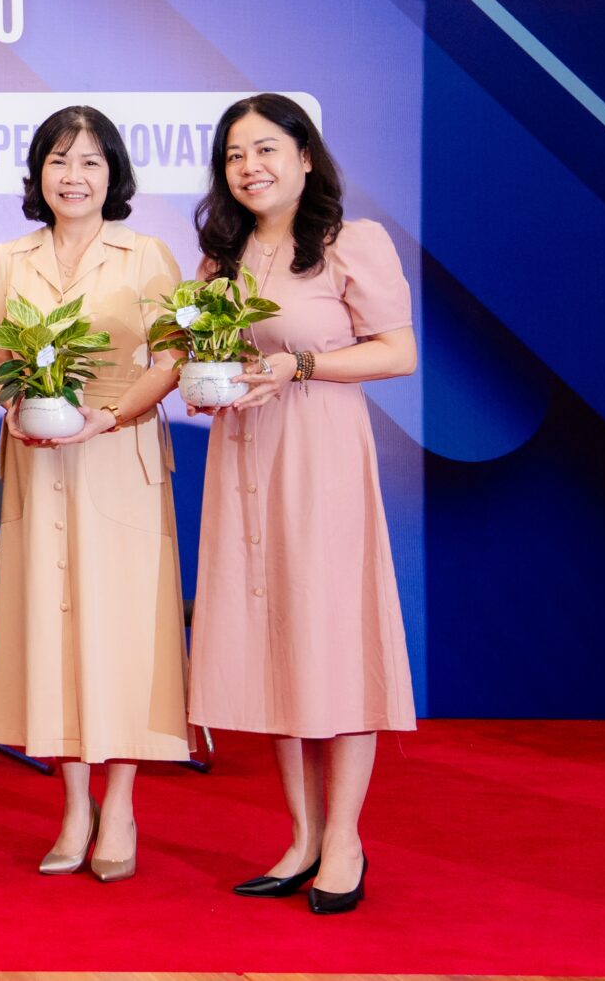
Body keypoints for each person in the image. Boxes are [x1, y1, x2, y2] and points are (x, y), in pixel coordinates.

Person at [185, 93, 416, 916]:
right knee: (271, 635)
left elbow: (398, 351)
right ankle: (301, 835)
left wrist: (303, 366)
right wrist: (205, 384)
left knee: (332, 638)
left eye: (266, 149)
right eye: (235, 155)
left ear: (306, 156)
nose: (249, 167)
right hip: (245, 456)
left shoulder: (353, 242)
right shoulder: (220, 261)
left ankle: (345, 838)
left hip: (321, 455)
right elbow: (208, 353)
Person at [0, 106, 189, 883]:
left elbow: (172, 359)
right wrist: (14, 405)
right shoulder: (9, 257)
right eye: (59, 160)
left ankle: (121, 803)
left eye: (91, 161)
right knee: (50, 628)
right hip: (39, 458)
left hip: (117, 452)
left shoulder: (147, 254)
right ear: (38, 173)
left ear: (113, 175)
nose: (74, 176)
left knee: (122, 629)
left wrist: (113, 412)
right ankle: (72, 805)